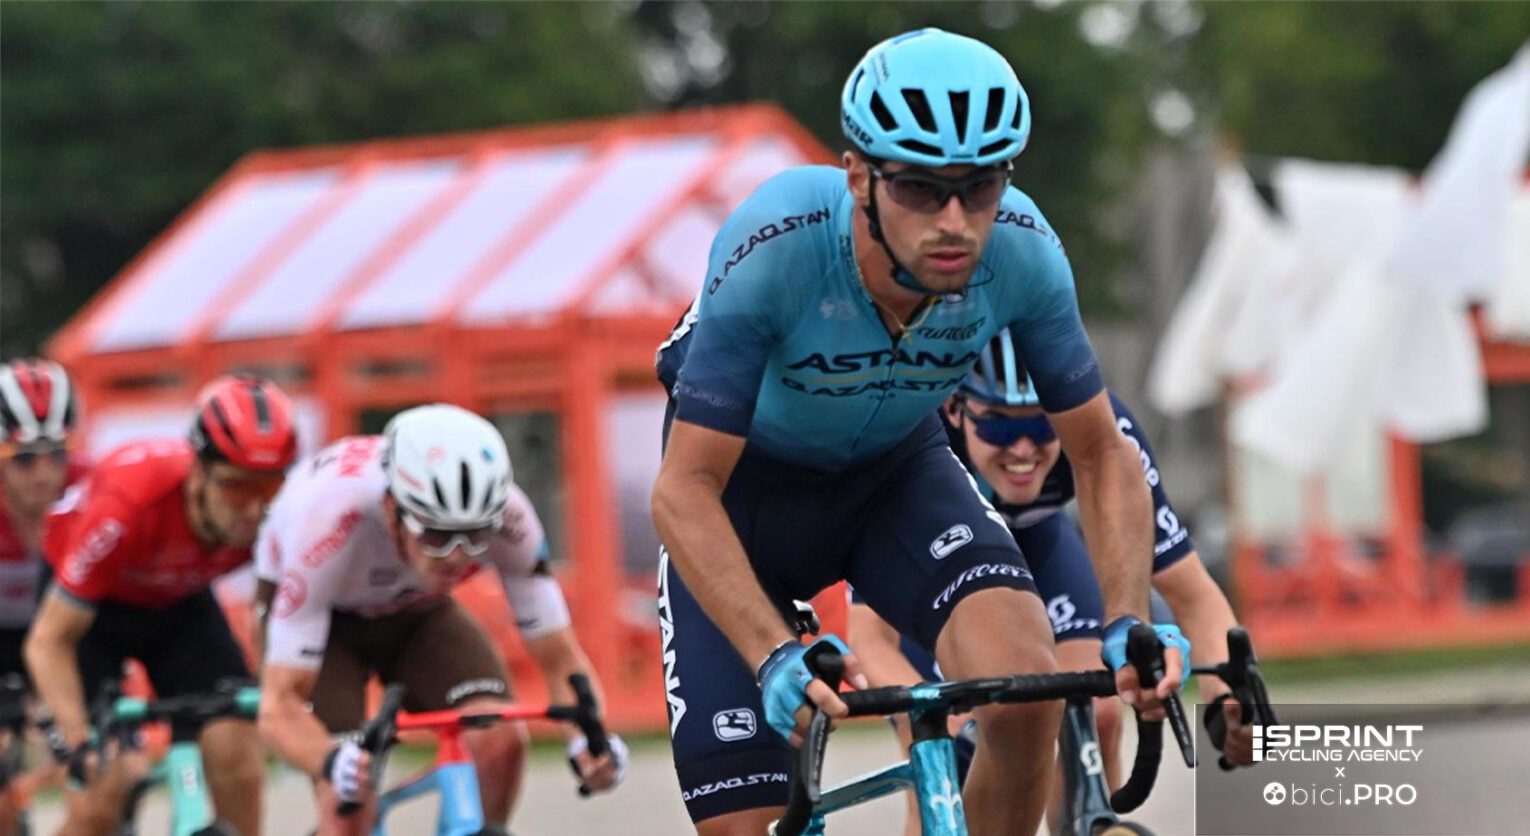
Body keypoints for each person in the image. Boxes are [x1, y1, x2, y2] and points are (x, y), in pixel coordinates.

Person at [651, 28, 1189, 836]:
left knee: (1023, 692)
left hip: (894, 481)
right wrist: (771, 651)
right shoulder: (776, 243)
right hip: (742, 501)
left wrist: (1124, 618)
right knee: (746, 827)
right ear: (858, 177)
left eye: (980, 188)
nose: (955, 222)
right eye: (919, 189)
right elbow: (683, 488)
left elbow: (1100, 450)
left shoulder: (1024, 253)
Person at [847, 328, 1256, 835]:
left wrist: (1227, 701)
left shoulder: (1100, 427)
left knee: (1099, 711)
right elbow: (868, 636)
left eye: (1042, 424)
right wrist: (923, 720)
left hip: (1042, 551)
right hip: (939, 573)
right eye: (999, 425)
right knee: (947, 760)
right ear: (955, 409)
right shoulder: (915, 442)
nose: (1023, 448)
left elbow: (1192, 593)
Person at [255, 404, 627, 836]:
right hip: (324, 620)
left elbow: (560, 657)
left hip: (416, 607)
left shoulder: (511, 517)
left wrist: (589, 740)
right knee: (349, 798)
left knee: (498, 739)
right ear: (392, 509)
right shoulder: (329, 521)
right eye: (436, 535)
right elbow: (278, 708)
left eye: (475, 535)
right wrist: (330, 760)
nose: (457, 556)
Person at [25, 374, 297, 836]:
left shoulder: (279, 518)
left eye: (269, 489)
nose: (254, 510)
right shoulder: (130, 503)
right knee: (103, 791)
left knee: (238, 760)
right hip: (88, 617)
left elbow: (280, 616)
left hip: (179, 607)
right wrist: (77, 741)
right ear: (198, 474)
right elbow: (48, 642)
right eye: (237, 488)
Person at [0, 358, 85, 836]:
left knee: (104, 773)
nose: (44, 473)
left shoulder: (90, 488)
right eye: (24, 458)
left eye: (56, 454)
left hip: (63, 633)